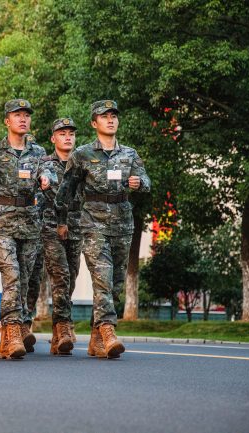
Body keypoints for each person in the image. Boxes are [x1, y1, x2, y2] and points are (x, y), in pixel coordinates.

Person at [55, 100, 151, 359]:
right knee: (102, 278)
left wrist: (139, 182)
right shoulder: (82, 154)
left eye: (113, 116)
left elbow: (147, 182)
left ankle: (97, 338)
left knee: (116, 283)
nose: (110, 120)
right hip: (93, 224)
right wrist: (62, 221)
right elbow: (66, 191)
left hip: (122, 223)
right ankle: (108, 331)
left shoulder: (129, 154)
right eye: (104, 116)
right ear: (93, 123)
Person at [0, 99, 54, 360]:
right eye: (17, 115)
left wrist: (48, 178)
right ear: (7, 121)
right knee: (12, 275)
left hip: (29, 224)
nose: (23, 119)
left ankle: (12, 331)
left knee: (24, 280)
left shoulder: (37, 152)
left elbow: (49, 170)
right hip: (0, 224)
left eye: (26, 115)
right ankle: (11, 330)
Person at [39, 117, 85, 356]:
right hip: (51, 227)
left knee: (72, 278)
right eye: (62, 133)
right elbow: (46, 181)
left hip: (77, 226)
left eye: (71, 133)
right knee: (61, 276)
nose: (68, 137)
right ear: (53, 138)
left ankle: (58, 328)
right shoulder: (46, 164)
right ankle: (65, 327)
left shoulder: (82, 163)